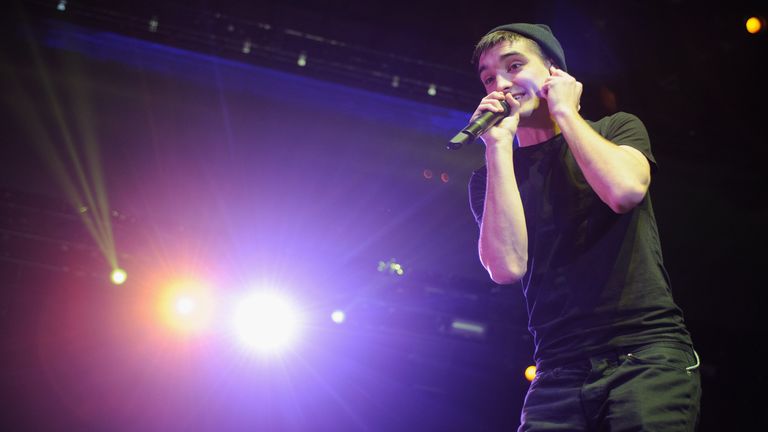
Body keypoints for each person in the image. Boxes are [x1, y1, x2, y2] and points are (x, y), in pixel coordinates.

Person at [467, 23, 701, 431]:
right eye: (489, 78)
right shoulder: (491, 176)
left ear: (554, 72)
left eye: (514, 65)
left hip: (645, 356)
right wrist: (498, 146)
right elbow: (506, 268)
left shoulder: (616, 129)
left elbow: (624, 191)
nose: (500, 84)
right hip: (557, 372)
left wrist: (564, 112)